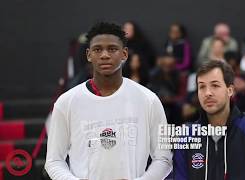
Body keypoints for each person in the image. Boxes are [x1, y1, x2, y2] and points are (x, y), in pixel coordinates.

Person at [45, 22, 172, 180]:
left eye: (112, 49)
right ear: (88, 54)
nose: (105, 55)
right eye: (97, 49)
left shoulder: (149, 100)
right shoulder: (66, 102)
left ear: (124, 54)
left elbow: (164, 158)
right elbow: (53, 161)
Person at [174, 60, 245, 180]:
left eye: (215, 85)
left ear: (230, 90)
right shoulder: (186, 136)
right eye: (202, 87)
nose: (207, 93)